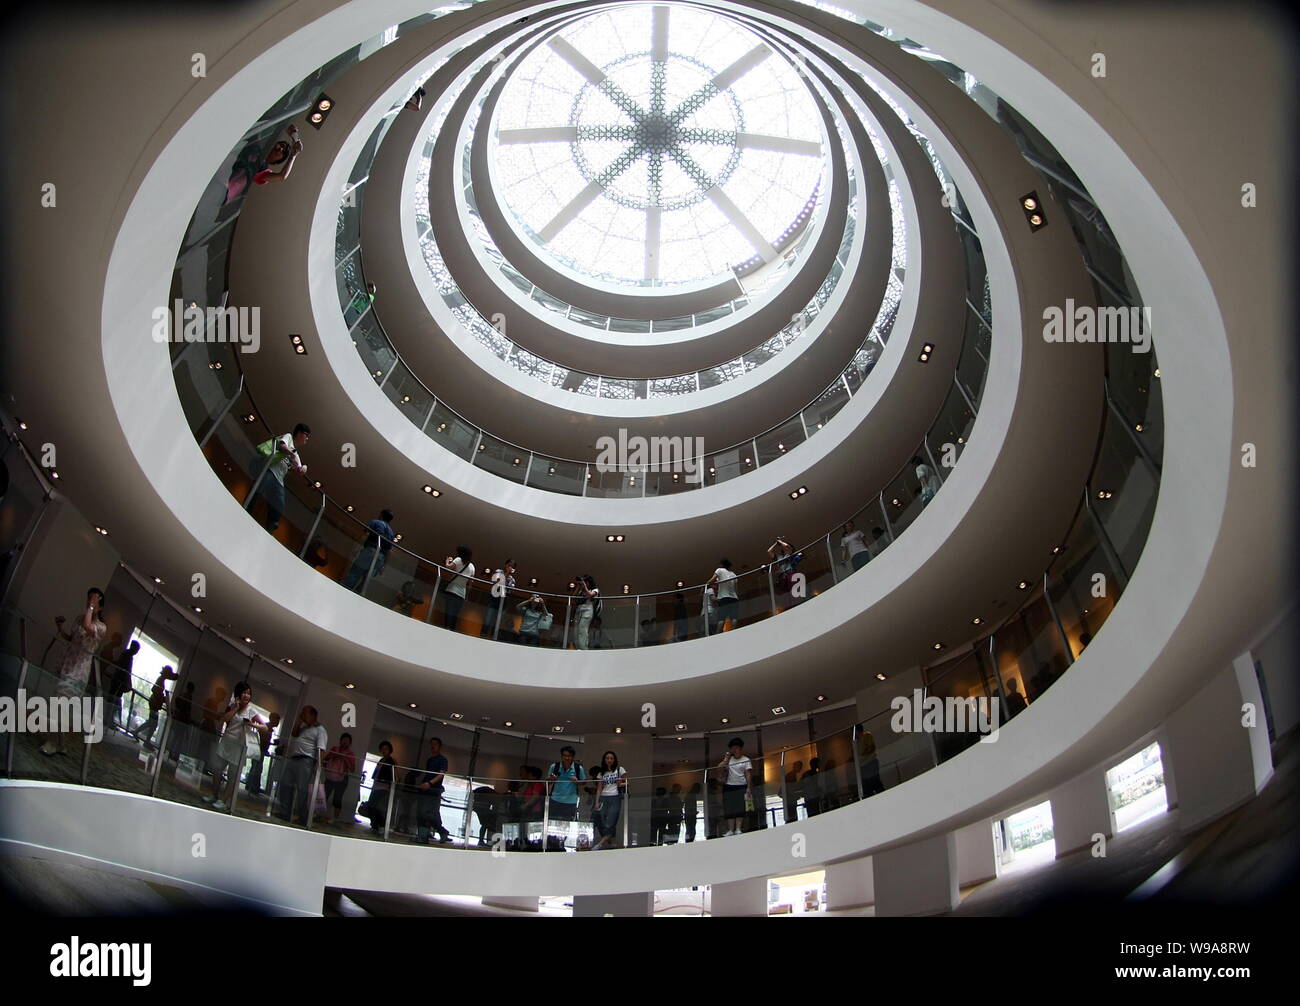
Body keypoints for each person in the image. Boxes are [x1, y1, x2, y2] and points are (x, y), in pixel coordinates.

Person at [41, 588, 107, 755]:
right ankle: (61, 744)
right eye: (88, 600)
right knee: (61, 707)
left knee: (59, 707)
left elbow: (88, 627)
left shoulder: (101, 627)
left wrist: (92, 607)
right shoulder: (80, 618)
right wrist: (60, 627)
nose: (89, 603)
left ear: (100, 606)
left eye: (93, 601)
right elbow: (72, 638)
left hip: (78, 672)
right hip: (67, 665)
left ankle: (51, 743)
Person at [206, 681, 267, 811]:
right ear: (238, 694)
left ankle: (223, 801)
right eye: (244, 693)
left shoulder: (251, 710)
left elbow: (265, 727)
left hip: (239, 746)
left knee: (233, 776)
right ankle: (214, 795)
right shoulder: (233, 705)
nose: (246, 696)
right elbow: (224, 719)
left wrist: (252, 724)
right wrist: (235, 708)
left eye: (249, 693)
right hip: (226, 741)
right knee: (217, 770)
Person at [251, 423, 310, 533]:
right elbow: (282, 445)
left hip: (279, 480)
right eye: (306, 435)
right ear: (299, 433)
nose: (307, 438)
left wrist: (304, 468)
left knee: (279, 504)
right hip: (270, 470)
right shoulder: (288, 437)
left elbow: (299, 470)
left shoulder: (296, 454)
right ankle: (247, 509)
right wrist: (290, 454)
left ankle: (270, 528)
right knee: (258, 490)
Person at [276, 705, 327, 825]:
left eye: (305, 714)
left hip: (306, 761)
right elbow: (294, 733)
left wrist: (318, 767)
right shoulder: (304, 727)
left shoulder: (320, 730)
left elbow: (321, 750)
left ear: (313, 715)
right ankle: (285, 812)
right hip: (294, 758)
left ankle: (303, 818)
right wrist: (299, 721)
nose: (302, 716)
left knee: (303, 791)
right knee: (285, 784)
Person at [342, 509, 396, 591]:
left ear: (381, 515)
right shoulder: (391, 533)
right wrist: (383, 566)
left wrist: (357, 548)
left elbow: (365, 534)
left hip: (370, 551)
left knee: (355, 574)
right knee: (365, 581)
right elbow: (389, 550)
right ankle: (357, 595)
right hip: (380, 558)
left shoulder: (376, 522)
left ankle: (344, 591)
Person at [412, 737, 451, 844]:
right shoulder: (430, 760)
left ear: (439, 746)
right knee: (421, 812)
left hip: (433, 790)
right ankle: (422, 836)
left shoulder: (442, 759)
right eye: (431, 744)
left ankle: (441, 831)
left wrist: (430, 783)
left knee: (427, 812)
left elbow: (441, 774)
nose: (433, 746)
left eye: (435, 744)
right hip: (425, 789)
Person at [547, 746, 586, 848]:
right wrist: (552, 779)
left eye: (569, 756)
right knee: (553, 822)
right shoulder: (554, 767)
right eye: (564, 756)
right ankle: (552, 843)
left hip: (571, 800)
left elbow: (584, 782)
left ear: (573, 757)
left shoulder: (578, 768)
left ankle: (562, 843)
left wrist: (577, 781)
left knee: (566, 824)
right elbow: (547, 780)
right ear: (561, 756)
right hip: (555, 799)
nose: (566, 758)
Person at [133, 666, 178, 749]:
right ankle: (145, 740)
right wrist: (163, 698)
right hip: (154, 704)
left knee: (151, 723)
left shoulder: (161, 679)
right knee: (153, 724)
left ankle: (139, 734)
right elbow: (154, 690)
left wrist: (162, 698)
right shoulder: (161, 680)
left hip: (154, 704)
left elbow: (156, 691)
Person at [716, 737, 753, 836]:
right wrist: (726, 758)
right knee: (729, 808)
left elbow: (748, 774)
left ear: (740, 748)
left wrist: (749, 787)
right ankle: (730, 830)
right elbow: (719, 768)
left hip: (741, 785)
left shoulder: (746, 760)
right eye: (732, 748)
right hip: (729, 786)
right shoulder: (729, 759)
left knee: (740, 807)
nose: (734, 750)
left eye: (735, 748)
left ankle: (738, 828)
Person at [591, 751, 626, 849]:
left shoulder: (620, 769)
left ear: (614, 760)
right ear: (604, 760)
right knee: (603, 819)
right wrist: (597, 802)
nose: (609, 760)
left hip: (615, 796)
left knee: (611, 819)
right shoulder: (601, 773)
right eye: (607, 758)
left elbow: (627, 783)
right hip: (604, 797)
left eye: (611, 758)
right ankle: (612, 842)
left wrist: (620, 783)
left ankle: (601, 842)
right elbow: (599, 788)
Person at [323, 732, 358, 823]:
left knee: (337, 799)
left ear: (350, 743)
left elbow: (352, 769)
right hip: (330, 776)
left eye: (347, 741)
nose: (345, 742)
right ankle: (315, 814)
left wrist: (345, 758)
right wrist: (334, 754)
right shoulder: (334, 749)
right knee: (324, 796)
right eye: (343, 740)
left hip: (342, 779)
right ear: (340, 741)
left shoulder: (351, 754)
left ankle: (335, 819)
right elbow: (325, 759)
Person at [246, 710, 279, 796]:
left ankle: (253, 786)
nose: (278, 722)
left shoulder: (270, 729)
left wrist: (271, 744)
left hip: (262, 750)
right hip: (259, 750)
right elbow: (261, 739)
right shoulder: (266, 727)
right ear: (272, 719)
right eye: (277, 720)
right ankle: (252, 787)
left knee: (257, 769)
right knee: (256, 769)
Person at [442, 546, 474, 632]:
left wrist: (447, 560)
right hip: (461, 594)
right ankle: (452, 631)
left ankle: (445, 629)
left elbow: (448, 567)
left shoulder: (458, 560)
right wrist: (467, 596)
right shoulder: (472, 567)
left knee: (448, 611)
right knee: (455, 614)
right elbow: (470, 584)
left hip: (452, 590)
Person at [367, 740, 397, 833]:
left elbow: (394, 774)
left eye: (386, 749)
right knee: (372, 805)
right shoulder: (381, 760)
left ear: (389, 750)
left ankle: (379, 825)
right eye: (382, 749)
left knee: (374, 805)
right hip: (376, 785)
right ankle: (376, 825)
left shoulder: (390, 761)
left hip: (383, 787)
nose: (384, 751)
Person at [707, 559, 739, 630]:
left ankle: (718, 633)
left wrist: (707, 584)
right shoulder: (734, 574)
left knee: (721, 618)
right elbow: (736, 589)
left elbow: (712, 580)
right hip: (734, 598)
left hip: (724, 597)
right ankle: (734, 631)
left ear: (722, 565)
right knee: (734, 617)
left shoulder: (719, 570)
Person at [518, 766, 545, 849]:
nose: (527, 776)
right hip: (528, 811)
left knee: (529, 830)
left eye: (529, 774)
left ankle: (529, 846)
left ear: (534, 776)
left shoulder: (537, 785)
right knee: (524, 829)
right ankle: (524, 845)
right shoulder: (530, 785)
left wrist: (526, 805)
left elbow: (535, 797)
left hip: (533, 811)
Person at [572, 576, 599, 649]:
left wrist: (584, 587)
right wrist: (578, 587)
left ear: (589, 582)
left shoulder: (595, 590)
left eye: (585, 582)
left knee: (582, 629)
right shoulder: (581, 590)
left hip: (587, 610)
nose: (584, 583)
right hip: (579, 610)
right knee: (576, 630)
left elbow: (590, 595)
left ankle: (583, 648)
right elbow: (573, 597)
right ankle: (577, 647)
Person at [859, 731, 884, 796]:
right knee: (876, 785)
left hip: (868, 767)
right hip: (871, 765)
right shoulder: (872, 753)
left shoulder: (865, 755)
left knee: (872, 786)